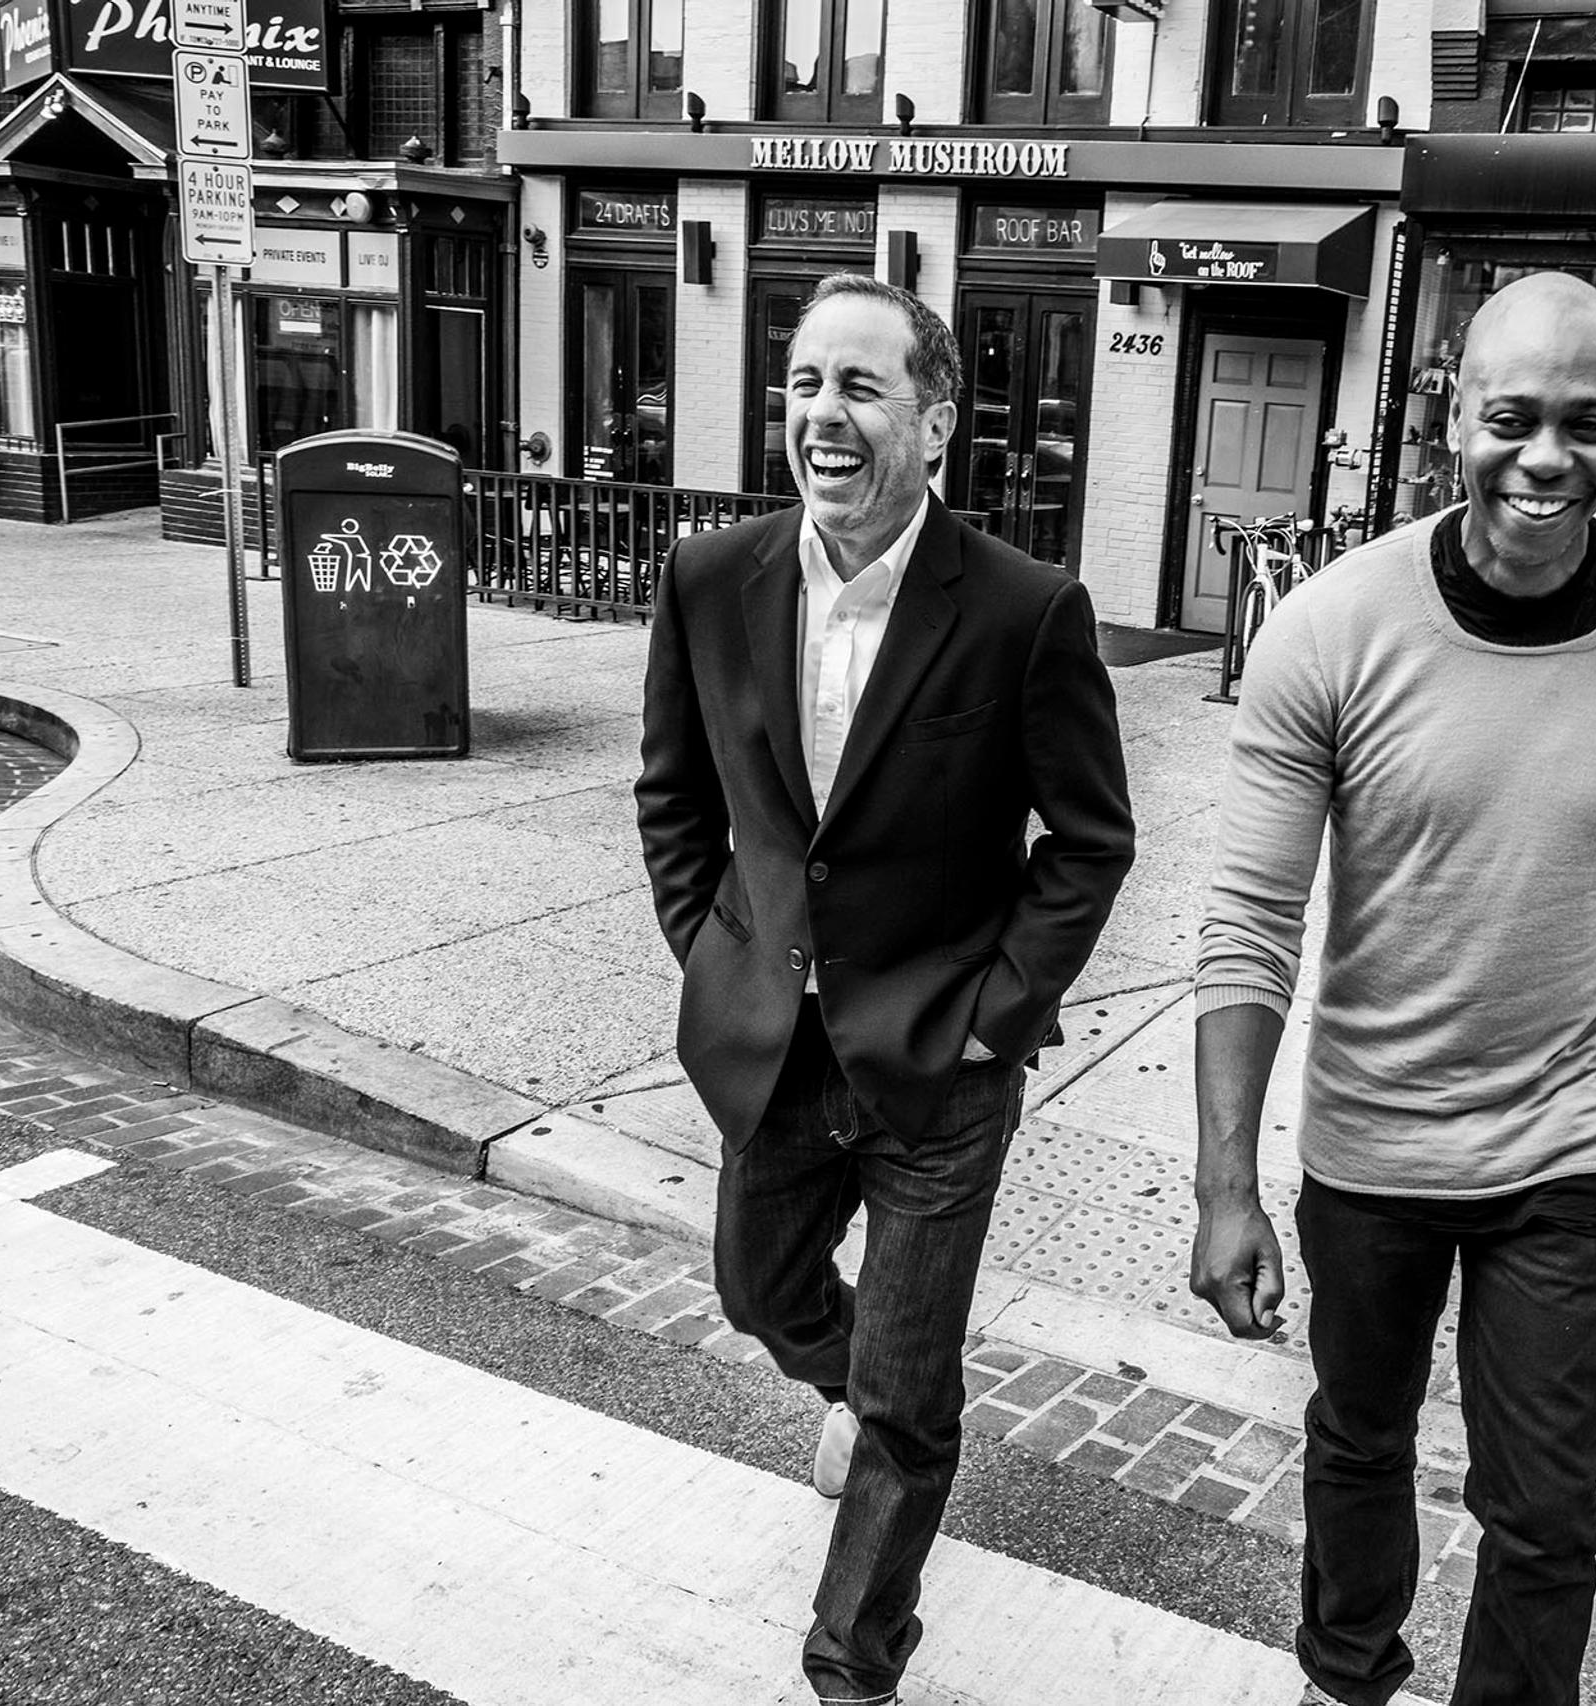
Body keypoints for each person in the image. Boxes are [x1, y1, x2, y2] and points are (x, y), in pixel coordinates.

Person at [1190, 271, 1596, 1706]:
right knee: (1360, 1439)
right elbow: (1252, 919)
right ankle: (1346, 1675)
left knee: (1548, 1510)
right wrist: (1223, 1183)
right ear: (1455, 415)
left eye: (1589, 421)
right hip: (1371, 1141)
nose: (1547, 457)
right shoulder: (1331, 627)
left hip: (1568, 1151)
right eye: (1512, 416)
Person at [636, 271, 1134, 1706]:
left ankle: (852, 1658)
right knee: (755, 1286)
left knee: (911, 1401)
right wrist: (716, 948)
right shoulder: (711, 577)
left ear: (934, 419)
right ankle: (857, 1393)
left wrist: (997, 1017)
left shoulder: (1026, 611)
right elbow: (673, 797)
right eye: (804, 384)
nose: (823, 416)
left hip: (938, 1070)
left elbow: (1092, 840)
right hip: (772, 1052)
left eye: (860, 386)